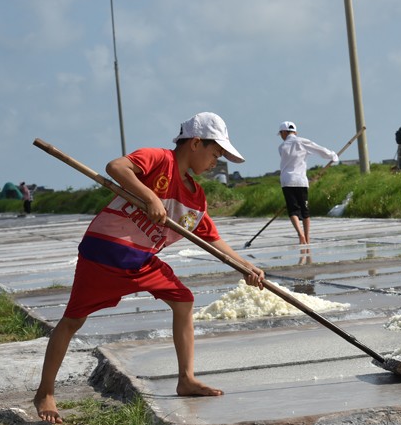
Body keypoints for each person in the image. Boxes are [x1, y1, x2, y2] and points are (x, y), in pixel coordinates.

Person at [34, 112, 265, 424]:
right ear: (196, 143)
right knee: (73, 320)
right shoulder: (158, 159)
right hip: (104, 253)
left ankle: (186, 379)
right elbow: (116, 167)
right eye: (215, 153)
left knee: (183, 300)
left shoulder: (196, 198)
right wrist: (149, 196)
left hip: (141, 261)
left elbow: (212, 239)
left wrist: (246, 266)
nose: (216, 162)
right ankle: (45, 391)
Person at [277, 121, 338, 245]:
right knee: (305, 210)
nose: (281, 136)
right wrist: (332, 155)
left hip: (286, 181)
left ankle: (300, 236)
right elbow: (318, 149)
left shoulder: (281, 147)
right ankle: (307, 237)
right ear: (295, 132)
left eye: (281, 134)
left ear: (284, 132)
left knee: (293, 210)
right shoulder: (301, 141)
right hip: (300, 181)